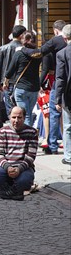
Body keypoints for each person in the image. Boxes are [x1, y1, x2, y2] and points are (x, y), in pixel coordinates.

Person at [0, 106, 38, 200]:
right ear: (9, 117)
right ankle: (10, 180)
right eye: (14, 117)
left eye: (19, 117)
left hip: (23, 167)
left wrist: (19, 169)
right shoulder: (3, 131)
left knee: (24, 183)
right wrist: (8, 167)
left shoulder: (32, 132)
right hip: (5, 166)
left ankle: (12, 181)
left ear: (24, 118)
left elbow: (31, 156)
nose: (16, 120)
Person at [39, 20, 67, 155]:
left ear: (56, 30)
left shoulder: (56, 41)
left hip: (59, 80)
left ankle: (53, 145)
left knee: (55, 113)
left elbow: (42, 50)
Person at [4, 32, 42, 127]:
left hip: (21, 87)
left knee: (25, 114)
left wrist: (6, 80)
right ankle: (29, 133)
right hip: (34, 88)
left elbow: (10, 70)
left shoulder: (19, 54)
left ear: (23, 40)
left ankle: (26, 136)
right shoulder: (38, 55)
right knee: (28, 112)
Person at [0, 25, 27, 116]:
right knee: (22, 109)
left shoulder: (3, 48)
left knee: (10, 109)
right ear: (21, 35)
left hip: (6, 83)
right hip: (21, 82)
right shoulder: (25, 50)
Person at [55, 24, 71, 165]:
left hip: (68, 95)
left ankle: (69, 156)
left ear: (64, 38)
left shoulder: (62, 54)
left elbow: (60, 78)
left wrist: (57, 99)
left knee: (67, 126)